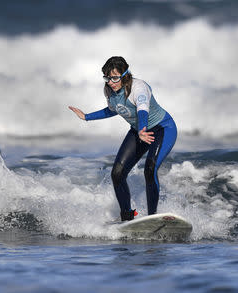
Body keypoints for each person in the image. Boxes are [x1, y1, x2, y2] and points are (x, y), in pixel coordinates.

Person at [69, 56, 177, 221]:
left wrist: (142, 129)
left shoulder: (138, 88)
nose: (110, 82)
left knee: (150, 169)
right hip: (139, 131)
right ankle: (127, 217)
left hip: (163, 128)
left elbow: (142, 110)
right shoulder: (110, 91)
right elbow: (114, 109)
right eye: (107, 78)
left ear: (125, 75)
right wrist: (86, 117)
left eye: (114, 78)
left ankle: (153, 217)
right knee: (117, 174)